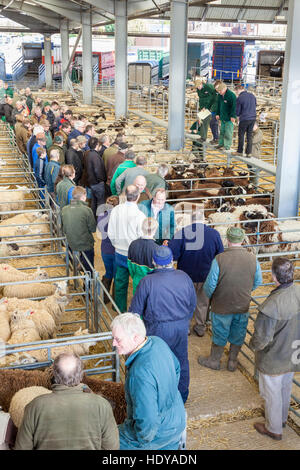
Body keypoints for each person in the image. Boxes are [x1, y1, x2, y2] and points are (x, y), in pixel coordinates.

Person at [130, 246, 196, 403]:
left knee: (156, 360)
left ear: (154, 262)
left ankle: (160, 397)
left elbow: (135, 311)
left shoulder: (147, 281)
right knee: (181, 359)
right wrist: (185, 321)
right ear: (171, 261)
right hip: (180, 326)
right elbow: (192, 304)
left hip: (156, 328)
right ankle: (181, 395)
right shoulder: (184, 277)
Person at [15, 352, 119, 450]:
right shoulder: (102, 405)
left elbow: (22, 447)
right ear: (81, 374)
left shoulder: (35, 406)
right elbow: (111, 447)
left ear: (54, 374)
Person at [112, 313, 186, 450]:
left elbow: (148, 421)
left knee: (108, 439)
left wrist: (144, 442)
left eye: (118, 339)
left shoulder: (140, 373)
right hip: (176, 419)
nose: (113, 343)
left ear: (135, 338)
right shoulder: (157, 342)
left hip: (157, 433)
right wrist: (165, 395)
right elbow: (176, 368)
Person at [249, 257, 300, 441]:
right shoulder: (298, 291)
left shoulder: (271, 306)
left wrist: (253, 345)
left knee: (272, 393)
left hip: (275, 357)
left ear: (273, 276)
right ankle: (282, 419)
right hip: (294, 352)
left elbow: (261, 339)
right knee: (286, 387)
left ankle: (273, 428)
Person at [198, 227, 262, 371]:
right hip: (242, 305)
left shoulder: (219, 259)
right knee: (238, 332)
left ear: (227, 240)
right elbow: (258, 281)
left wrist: (212, 297)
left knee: (220, 332)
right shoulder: (252, 259)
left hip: (221, 305)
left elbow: (210, 285)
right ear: (242, 240)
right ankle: (232, 362)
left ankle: (214, 361)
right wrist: (245, 291)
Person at [169, 207, 224, 337]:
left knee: (185, 301)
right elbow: (220, 255)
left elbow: (173, 256)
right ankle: (200, 327)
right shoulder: (214, 234)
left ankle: (185, 327)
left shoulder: (182, 233)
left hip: (186, 276)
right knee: (203, 302)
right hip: (206, 275)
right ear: (204, 219)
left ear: (191, 220)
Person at [108, 185, 146, 312]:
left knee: (120, 281)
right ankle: (136, 311)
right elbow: (142, 236)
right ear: (138, 196)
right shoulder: (140, 215)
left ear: (125, 195)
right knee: (137, 282)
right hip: (134, 255)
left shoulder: (116, 210)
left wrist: (116, 245)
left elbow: (111, 232)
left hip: (119, 252)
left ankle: (120, 309)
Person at [62, 186, 96, 272]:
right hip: (84, 244)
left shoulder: (65, 209)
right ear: (83, 197)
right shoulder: (87, 210)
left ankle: (78, 263)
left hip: (70, 242)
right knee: (89, 254)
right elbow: (93, 229)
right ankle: (88, 276)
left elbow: (63, 227)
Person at [128, 217, 159, 294]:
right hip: (152, 285)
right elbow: (158, 272)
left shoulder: (133, 244)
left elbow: (130, 267)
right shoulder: (157, 249)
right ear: (155, 231)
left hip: (137, 281)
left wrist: (135, 277)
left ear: (142, 228)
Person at [97, 196, 118, 303]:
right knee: (117, 275)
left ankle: (105, 298)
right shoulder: (118, 219)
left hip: (105, 249)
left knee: (108, 273)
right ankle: (116, 299)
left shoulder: (101, 216)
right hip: (116, 250)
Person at [83, 136, 108, 218]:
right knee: (100, 203)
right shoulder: (95, 156)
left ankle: (93, 218)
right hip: (97, 183)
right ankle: (100, 221)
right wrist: (102, 180)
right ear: (97, 145)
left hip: (91, 182)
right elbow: (98, 170)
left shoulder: (88, 154)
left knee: (94, 202)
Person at [233, 84, 257, 157]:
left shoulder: (240, 98)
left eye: (236, 92)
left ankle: (240, 151)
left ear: (238, 90)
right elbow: (255, 105)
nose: (236, 93)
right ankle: (248, 153)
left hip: (244, 118)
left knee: (241, 134)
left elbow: (237, 112)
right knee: (249, 135)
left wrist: (237, 115)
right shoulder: (252, 95)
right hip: (253, 118)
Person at [194, 77, 218, 142]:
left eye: (199, 86)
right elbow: (201, 98)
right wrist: (201, 108)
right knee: (202, 121)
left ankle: (207, 137)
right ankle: (203, 137)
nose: (198, 88)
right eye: (197, 87)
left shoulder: (208, 87)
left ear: (202, 83)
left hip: (209, 107)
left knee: (208, 122)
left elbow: (214, 96)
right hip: (203, 108)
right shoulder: (198, 90)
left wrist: (209, 107)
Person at [215, 82, 237, 151]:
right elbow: (218, 105)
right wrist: (217, 113)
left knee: (228, 132)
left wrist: (233, 116)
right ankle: (221, 144)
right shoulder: (220, 95)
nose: (219, 92)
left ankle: (227, 146)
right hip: (223, 116)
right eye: (218, 91)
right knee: (222, 131)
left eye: (220, 90)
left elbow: (234, 107)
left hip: (229, 117)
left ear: (225, 88)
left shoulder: (231, 95)